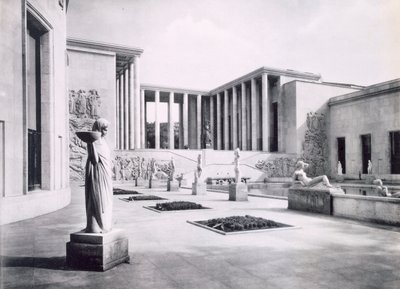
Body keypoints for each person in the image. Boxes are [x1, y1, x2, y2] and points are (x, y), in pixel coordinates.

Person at [84, 118, 113, 233]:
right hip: (97, 173)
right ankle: (96, 226)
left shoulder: (103, 142)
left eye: (107, 129)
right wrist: (91, 145)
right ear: (99, 129)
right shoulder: (94, 142)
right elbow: (95, 160)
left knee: (106, 198)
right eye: (104, 129)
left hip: (105, 173)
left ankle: (105, 224)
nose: (106, 132)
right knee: (98, 198)